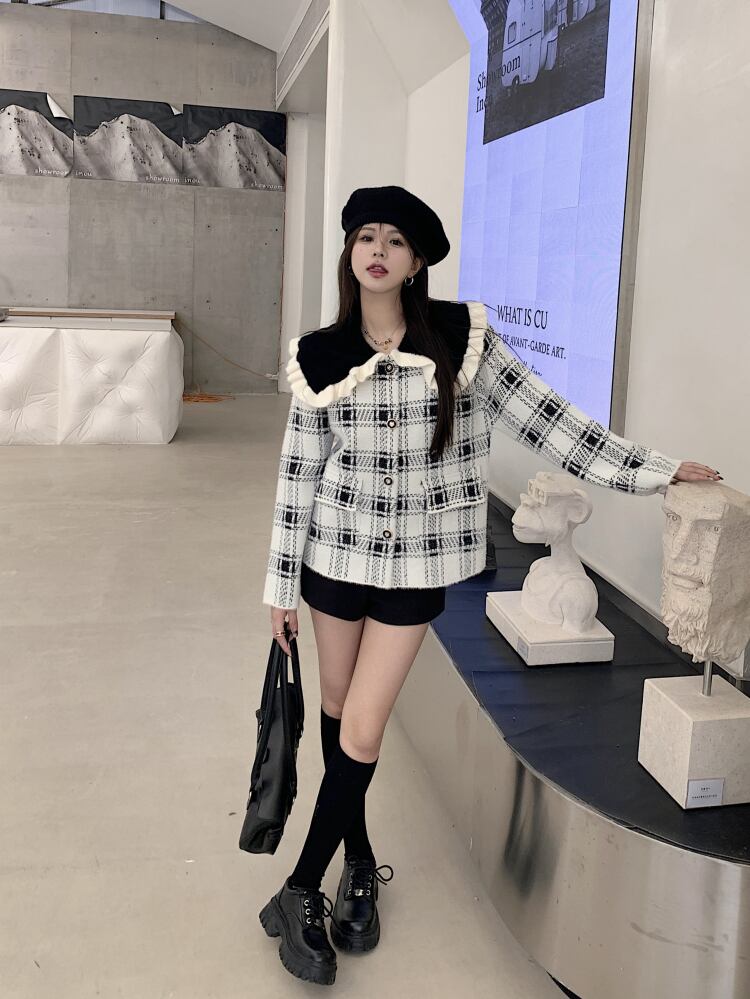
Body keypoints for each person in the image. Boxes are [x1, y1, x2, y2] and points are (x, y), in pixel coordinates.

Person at [257, 184, 722, 986]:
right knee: (336, 712)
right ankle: (358, 860)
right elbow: (299, 473)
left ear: (417, 260)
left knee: (363, 726)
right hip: (334, 560)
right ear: (350, 252)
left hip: (416, 568)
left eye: (395, 240)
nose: (378, 250)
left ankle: (300, 886)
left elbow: (552, 420)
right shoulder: (319, 355)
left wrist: (655, 470)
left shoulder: (462, 342)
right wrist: (279, 585)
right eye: (366, 236)